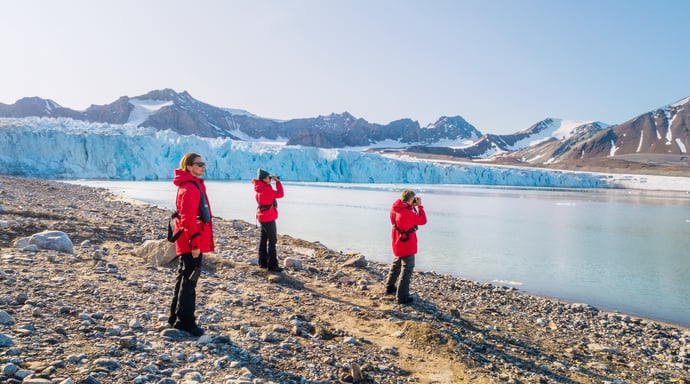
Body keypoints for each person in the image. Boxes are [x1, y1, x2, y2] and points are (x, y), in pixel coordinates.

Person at [168, 152, 214, 336]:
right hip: (191, 240)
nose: (203, 167)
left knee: (183, 277)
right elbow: (188, 218)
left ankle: (175, 317)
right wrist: (195, 244)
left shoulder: (190, 185)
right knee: (190, 280)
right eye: (199, 164)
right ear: (189, 166)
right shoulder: (189, 188)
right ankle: (186, 322)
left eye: (204, 164)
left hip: (188, 238)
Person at [385, 189, 427, 305]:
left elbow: (397, 220)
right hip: (407, 243)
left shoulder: (395, 209)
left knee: (396, 265)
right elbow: (422, 221)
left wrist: (410, 206)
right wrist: (420, 207)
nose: (415, 201)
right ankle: (402, 297)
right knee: (407, 269)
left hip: (397, 241)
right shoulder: (407, 212)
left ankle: (389, 288)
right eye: (413, 199)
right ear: (409, 199)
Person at [253, 168, 285, 272]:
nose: (270, 178)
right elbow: (280, 194)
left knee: (263, 239)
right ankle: (272, 265)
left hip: (262, 216)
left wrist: (271, 182)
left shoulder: (260, 188)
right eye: (268, 177)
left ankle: (262, 263)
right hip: (268, 217)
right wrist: (278, 182)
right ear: (263, 179)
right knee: (272, 240)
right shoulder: (266, 189)